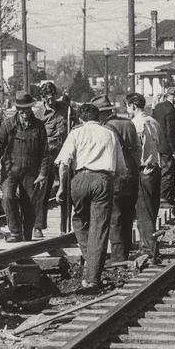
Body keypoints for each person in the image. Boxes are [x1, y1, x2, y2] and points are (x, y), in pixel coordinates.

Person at [55, 102, 126, 291]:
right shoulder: (109, 134)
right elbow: (121, 169)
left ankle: (90, 261)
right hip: (103, 179)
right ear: (99, 117)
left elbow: (63, 164)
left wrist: (62, 188)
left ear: (80, 119)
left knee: (78, 220)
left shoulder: (76, 133)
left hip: (80, 179)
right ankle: (93, 274)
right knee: (99, 228)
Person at [0, 91, 51, 243]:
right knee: (7, 197)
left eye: (27, 109)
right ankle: (15, 232)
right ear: (17, 109)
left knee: (30, 203)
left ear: (31, 108)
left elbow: (45, 152)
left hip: (31, 171)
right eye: (21, 109)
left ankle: (27, 235)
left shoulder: (39, 126)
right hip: (10, 169)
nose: (24, 112)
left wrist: (43, 173)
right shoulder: (8, 124)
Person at [94, 95, 140, 265]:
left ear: (100, 114)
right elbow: (137, 150)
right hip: (132, 175)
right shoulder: (128, 123)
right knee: (128, 215)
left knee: (115, 217)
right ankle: (125, 251)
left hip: (115, 176)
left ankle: (118, 257)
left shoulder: (105, 128)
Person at [127, 92, 162, 263]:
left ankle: (148, 250)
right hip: (155, 169)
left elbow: (136, 149)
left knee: (143, 212)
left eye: (128, 106)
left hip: (143, 171)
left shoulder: (134, 124)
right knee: (152, 210)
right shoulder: (153, 121)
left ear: (133, 106)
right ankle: (151, 243)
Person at [33, 82, 70, 238]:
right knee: (43, 189)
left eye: (53, 97)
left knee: (66, 188)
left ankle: (64, 228)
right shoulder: (39, 113)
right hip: (47, 153)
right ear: (42, 97)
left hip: (64, 151)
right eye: (47, 98)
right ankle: (38, 226)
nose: (51, 101)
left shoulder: (65, 107)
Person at [152, 85, 175, 205]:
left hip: (158, 143)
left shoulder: (158, 107)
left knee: (162, 171)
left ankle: (165, 197)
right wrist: (174, 149)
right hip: (167, 145)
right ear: (174, 96)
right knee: (168, 172)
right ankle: (165, 198)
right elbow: (170, 131)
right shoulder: (171, 110)